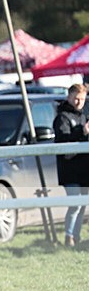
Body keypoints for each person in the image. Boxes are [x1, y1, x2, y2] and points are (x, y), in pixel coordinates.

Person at [53, 83, 89, 247]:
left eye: (81, 99)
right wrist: (83, 131)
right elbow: (62, 140)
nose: (78, 102)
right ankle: (69, 237)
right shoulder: (62, 117)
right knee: (75, 203)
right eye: (75, 98)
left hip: (83, 168)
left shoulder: (82, 116)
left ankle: (76, 235)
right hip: (69, 168)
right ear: (69, 97)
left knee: (82, 205)